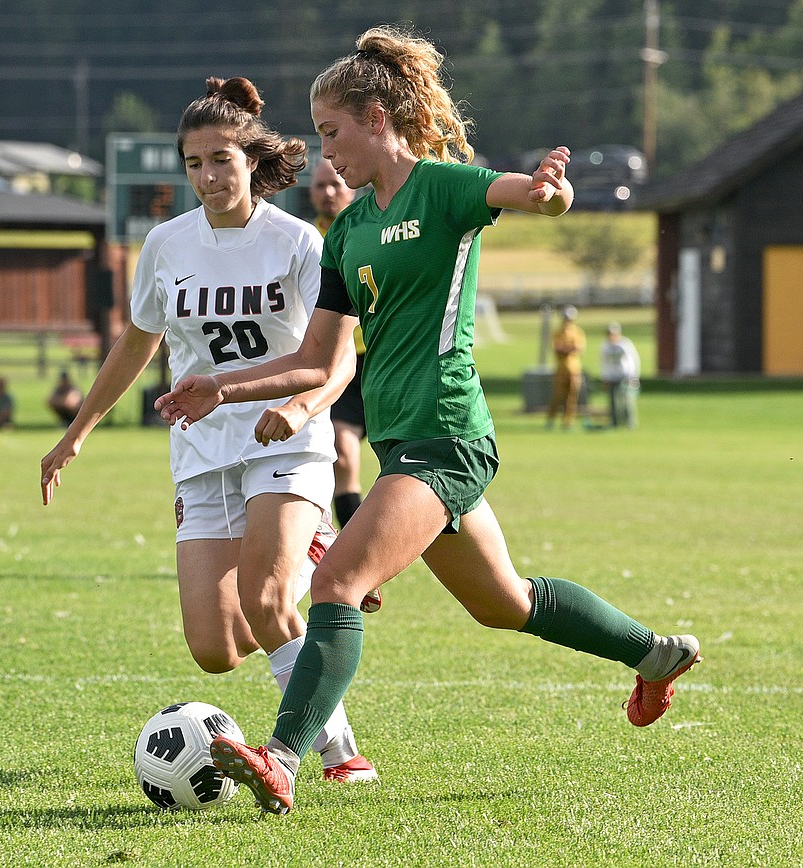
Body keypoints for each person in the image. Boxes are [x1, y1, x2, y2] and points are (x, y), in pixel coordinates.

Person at [155, 25, 700, 815]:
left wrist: (553, 191)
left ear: (378, 118)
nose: (326, 152)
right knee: (504, 603)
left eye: (333, 132)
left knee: (337, 581)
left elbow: (527, 194)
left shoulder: (443, 188)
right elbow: (315, 360)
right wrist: (223, 387)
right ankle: (653, 654)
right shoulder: (348, 232)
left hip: (446, 438)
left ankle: (282, 759)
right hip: (402, 446)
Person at [39, 76, 376, 783]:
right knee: (216, 647)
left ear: (251, 158)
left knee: (269, 598)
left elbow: (337, 361)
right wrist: (78, 431)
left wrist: (302, 409)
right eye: (194, 164)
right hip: (201, 445)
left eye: (221, 159)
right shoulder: (166, 244)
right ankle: (303, 563)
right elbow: (137, 344)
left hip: (286, 438)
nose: (209, 176)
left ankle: (339, 754)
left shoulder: (299, 243)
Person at [310, 159, 366, 531]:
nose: (329, 192)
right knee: (343, 455)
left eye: (335, 183)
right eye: (319, 186)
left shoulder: (372, 229)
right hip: (333, 361)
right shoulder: (304, 240)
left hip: (378, 358)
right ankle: (353, 553)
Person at [546, 305, 586, 429]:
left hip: (574, 369)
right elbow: (557, 348)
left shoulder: (577, 331)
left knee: (572, 397)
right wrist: (568, 349)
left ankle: (568, 422)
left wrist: (565, 349)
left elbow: (578, 348)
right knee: (557, 397)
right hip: (561, 369)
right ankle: (551, 420)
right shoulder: (558, 332)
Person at [599, 322, 641, 429]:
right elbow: (603, 363)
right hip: (612, 376)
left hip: (625, 375)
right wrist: (605, 377)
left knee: (626, 400)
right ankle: (614, 422)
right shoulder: (605, 346)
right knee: (612, 401)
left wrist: (634, 376)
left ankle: (629, 422)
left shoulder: (625, 344)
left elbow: (633, 360)